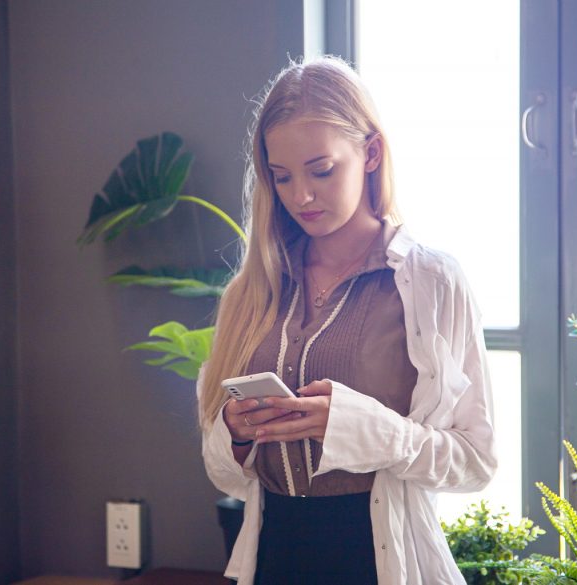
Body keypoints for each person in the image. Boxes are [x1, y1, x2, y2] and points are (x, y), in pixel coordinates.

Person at [197, 55, 497, 585]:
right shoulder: (250, 292)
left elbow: (475, 462)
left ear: (372, 152)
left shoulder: (430, 281)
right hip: (274, 557)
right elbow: (222, 471)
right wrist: (237, 432)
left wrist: (372, 430)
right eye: (281, 177)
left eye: (322, 170)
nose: (301, 196)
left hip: (374, 557)